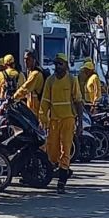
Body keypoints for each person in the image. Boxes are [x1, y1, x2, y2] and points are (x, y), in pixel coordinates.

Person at [38, 53, 83, 193]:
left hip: (68, 119)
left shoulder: (71, 80)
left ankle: (61, 182)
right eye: (56, 64)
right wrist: (43, 118)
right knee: (52, 151)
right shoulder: (50, 81)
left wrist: (80, 123)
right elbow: (45, 101)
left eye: (60, 64)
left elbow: (78, 101)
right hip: (53, 121)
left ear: (66, 65)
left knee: (66, 150)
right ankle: (65, 170)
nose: (57, 66)